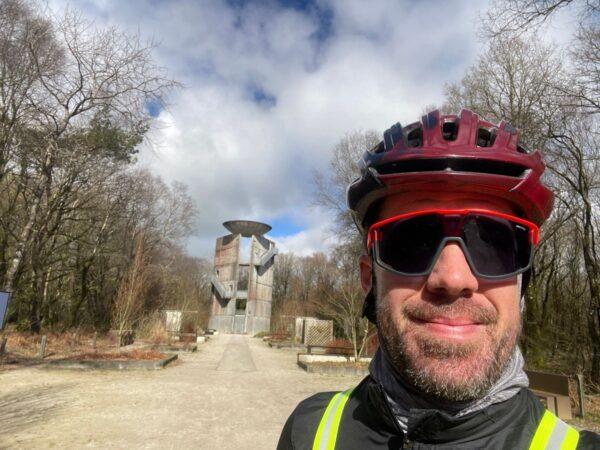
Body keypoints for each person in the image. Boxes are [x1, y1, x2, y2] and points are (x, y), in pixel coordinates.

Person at [277, 109, 600, 449]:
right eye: (412, 241)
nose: (454, 278)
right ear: (369, 278)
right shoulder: (308, 433)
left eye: (493, 244)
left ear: (522, 282)